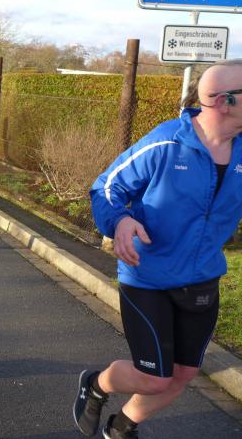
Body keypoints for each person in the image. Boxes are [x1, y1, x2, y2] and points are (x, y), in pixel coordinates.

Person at [74, 59, 242, 439]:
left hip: (202, 277)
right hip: (148, 276)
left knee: (183, 373)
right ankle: (96, 385)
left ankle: (122, 427)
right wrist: (120, 221)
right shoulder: (167, 142)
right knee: (154, 377)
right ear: (225, 101)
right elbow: (106, 187)